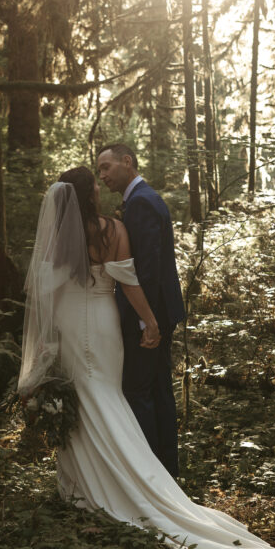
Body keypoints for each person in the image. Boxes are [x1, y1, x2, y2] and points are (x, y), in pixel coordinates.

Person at [18, 166, 275, 549]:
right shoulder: (111, 229)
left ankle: (83, 486)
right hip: (101, 317)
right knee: (103, 395)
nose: (100, 185)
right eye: (94, 183)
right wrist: (150, 321)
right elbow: (129, 282)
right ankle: (118, 482)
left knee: (82, 394)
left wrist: (46, 339)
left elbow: (46, 290)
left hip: (67, 321)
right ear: (89, 194)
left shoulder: (58, 238)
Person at [96, 144, 184, 477]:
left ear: (127, 162)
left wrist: (145, 321)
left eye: (106, 167)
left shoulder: (142, 203)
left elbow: (143, 271)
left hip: (149, 316)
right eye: (100, 171)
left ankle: (150, 477)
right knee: (158, 388)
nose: (102, 176)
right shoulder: (142, 199)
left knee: (139, 392)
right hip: (158, 312)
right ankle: (166, 471)